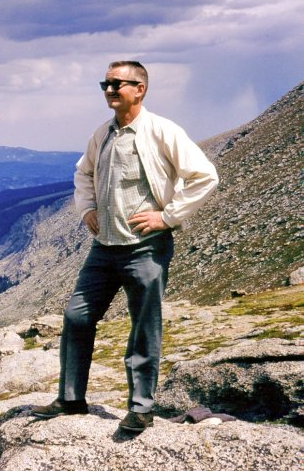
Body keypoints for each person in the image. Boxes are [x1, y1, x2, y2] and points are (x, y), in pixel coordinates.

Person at [30, 60, 219, 432]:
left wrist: (166, 217)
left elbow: (204, 176)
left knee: (143, 327)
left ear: (140, 89)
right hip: (104, 248)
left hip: (145, 248)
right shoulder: (102, 133)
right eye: (106, 83)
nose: (110, 89)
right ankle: (70, 399)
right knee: (76, 317)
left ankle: (141, 407)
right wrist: (86, 209)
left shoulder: (162, 131)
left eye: (118, 83)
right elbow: (83, 173)